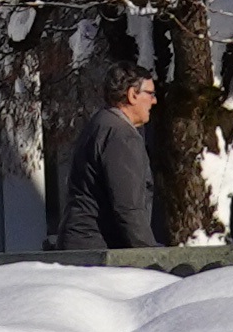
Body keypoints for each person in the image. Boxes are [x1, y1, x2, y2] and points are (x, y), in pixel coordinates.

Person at [49, 62, 162, 254]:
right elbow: (129, 207)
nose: (154, 101)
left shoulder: (100, 124)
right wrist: (150, 256)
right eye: (150, 94)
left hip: (81, 245)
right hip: (99, 250)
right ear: (132, 95)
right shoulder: (121, 135)